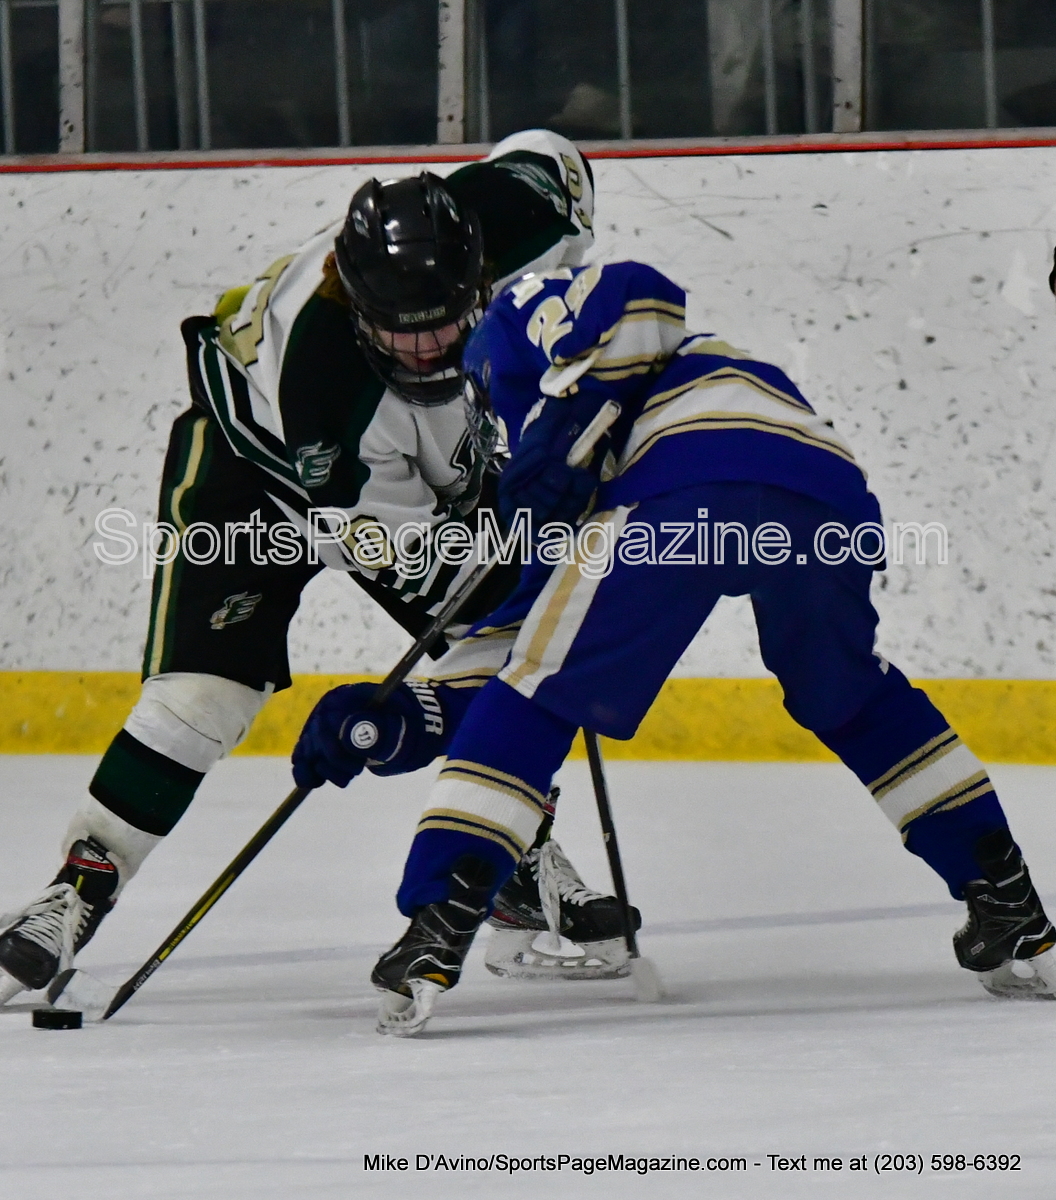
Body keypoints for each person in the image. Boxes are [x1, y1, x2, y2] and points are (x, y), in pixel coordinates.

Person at [294, 258, 1056, 1036]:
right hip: (822, 490)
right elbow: (524, 631)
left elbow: (640, 293)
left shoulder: (510, 325)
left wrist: (568, 425)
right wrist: (409, 715)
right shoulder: (577, 454)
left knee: (537, 695)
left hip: (682, 486)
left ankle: (440, 919)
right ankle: (1009, 904)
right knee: (850, 695)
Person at [0, 130, 638, 1005]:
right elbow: (400, 546)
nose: (428, 350)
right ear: (360, 309)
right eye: (401, 334)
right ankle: (78, 886)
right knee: (202, 698)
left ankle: (512, 857)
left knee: (513, 653)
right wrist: (525, 533)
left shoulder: (511, 221)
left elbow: (550, 162)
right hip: (258, 472)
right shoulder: (327, 396)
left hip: (403, 469)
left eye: (446, 324)